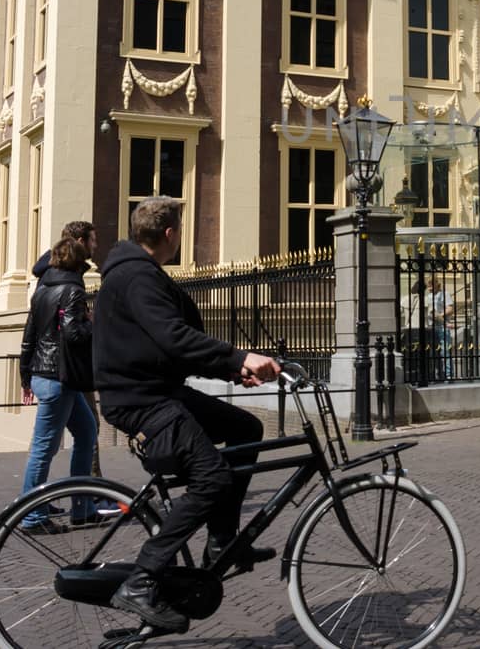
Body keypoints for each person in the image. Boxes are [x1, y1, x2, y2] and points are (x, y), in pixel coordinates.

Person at [95, 196, 282, 634]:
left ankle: (221, 543)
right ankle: (141, 582)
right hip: (143, 399)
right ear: (170, 235)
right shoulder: (137, 277)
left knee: (245, 427)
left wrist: (236, 369)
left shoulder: (138, 274)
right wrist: (240, 355)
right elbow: (175, 337)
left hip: (157, 390)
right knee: (212, 478)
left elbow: (169, 346)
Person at [16, 234, 97, 532]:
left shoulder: (41, 290)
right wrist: (92, 321)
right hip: (59, 377)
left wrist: (25, 376)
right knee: (43, 448)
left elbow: (29, 336)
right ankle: (31, 516)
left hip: (46, 375)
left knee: (87, 433)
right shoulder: (73, 289)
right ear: (77, 262)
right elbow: (73, 334)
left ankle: (83, 508)